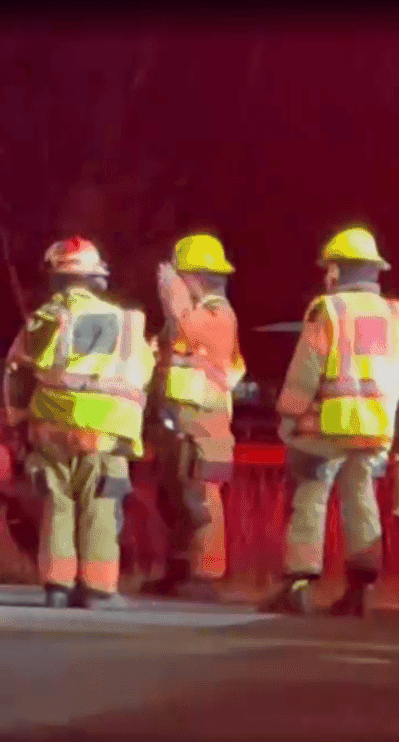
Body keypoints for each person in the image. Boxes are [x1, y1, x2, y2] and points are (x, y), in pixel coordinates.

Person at [262, 227, 399, 617]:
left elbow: (306, 369)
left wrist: (290, 410)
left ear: (337, 271)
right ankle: (360, 589)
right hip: (375, 428)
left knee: (310, 497)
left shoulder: (328, 309)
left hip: (327, 426)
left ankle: (299, 586)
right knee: (362, 501)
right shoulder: (394, 314)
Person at [3, 236, 155, 609]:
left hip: (51, 427)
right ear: (96, 276)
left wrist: (19, 421)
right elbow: (144, 374)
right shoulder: (127, 323)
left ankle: (58, 587)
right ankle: (100, 590)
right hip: (105, 429)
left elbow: (17, 373)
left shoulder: (43, 319)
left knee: (57, 505)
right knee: (101, 505)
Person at [142, 233, 246, 602]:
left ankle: (204, 576)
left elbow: (188, 329)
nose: (173, 284)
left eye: (179, 276)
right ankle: (178, 569)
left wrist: (172, 297)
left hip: (206, 429)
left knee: (202, 502)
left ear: (196, 277)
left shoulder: (219, 314)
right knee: (174, 500)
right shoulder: (185, 317)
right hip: (180, 427)